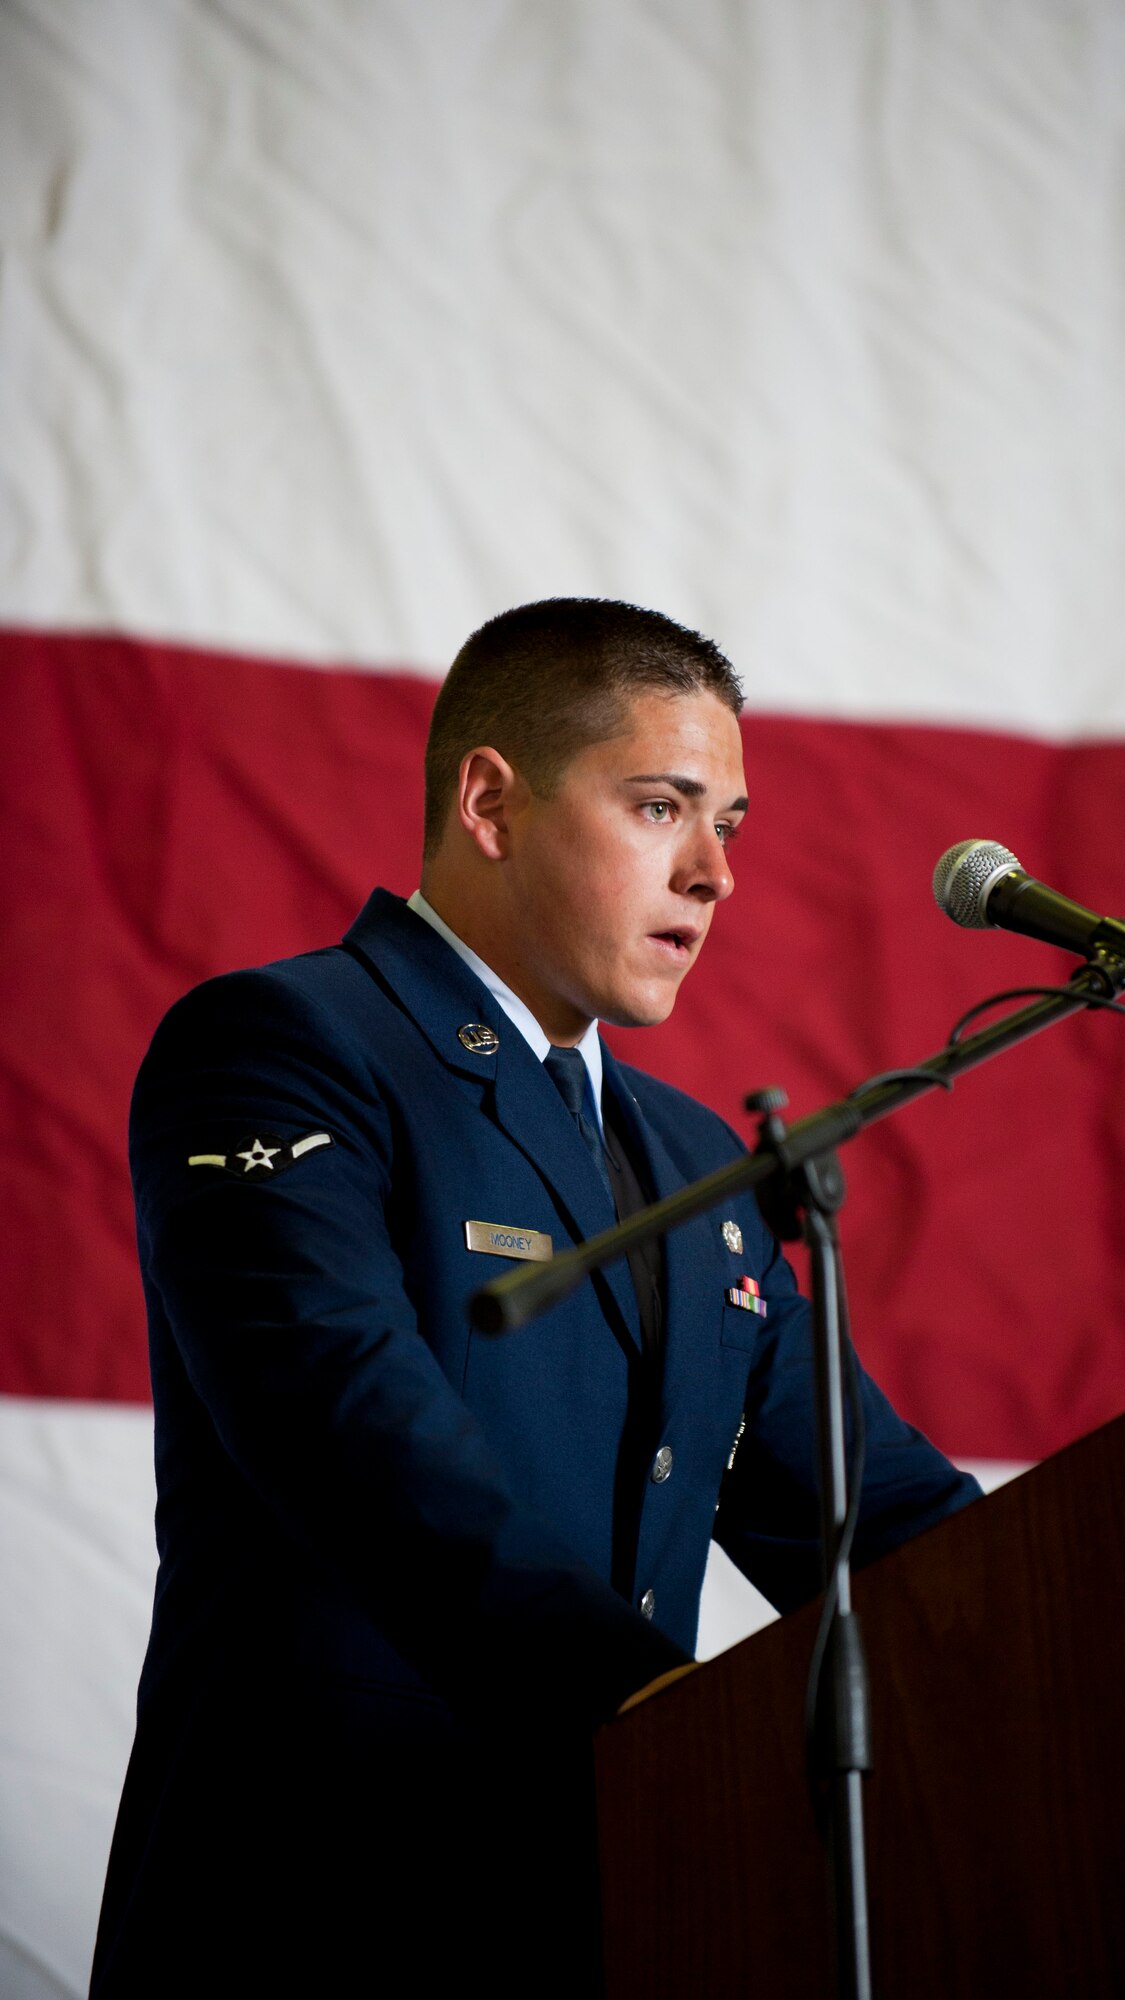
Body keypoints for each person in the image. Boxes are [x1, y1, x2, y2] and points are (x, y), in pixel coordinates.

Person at [90, 598, 980, 1997]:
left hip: (610, 1918)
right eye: (660, 807)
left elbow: (872, 1518)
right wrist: (649, 1717)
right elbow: (353, 1429)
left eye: (728, 826)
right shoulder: (281, 1046)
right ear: (491, 803)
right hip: (321, 1907)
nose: (712, 875)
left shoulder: (698, 1158)